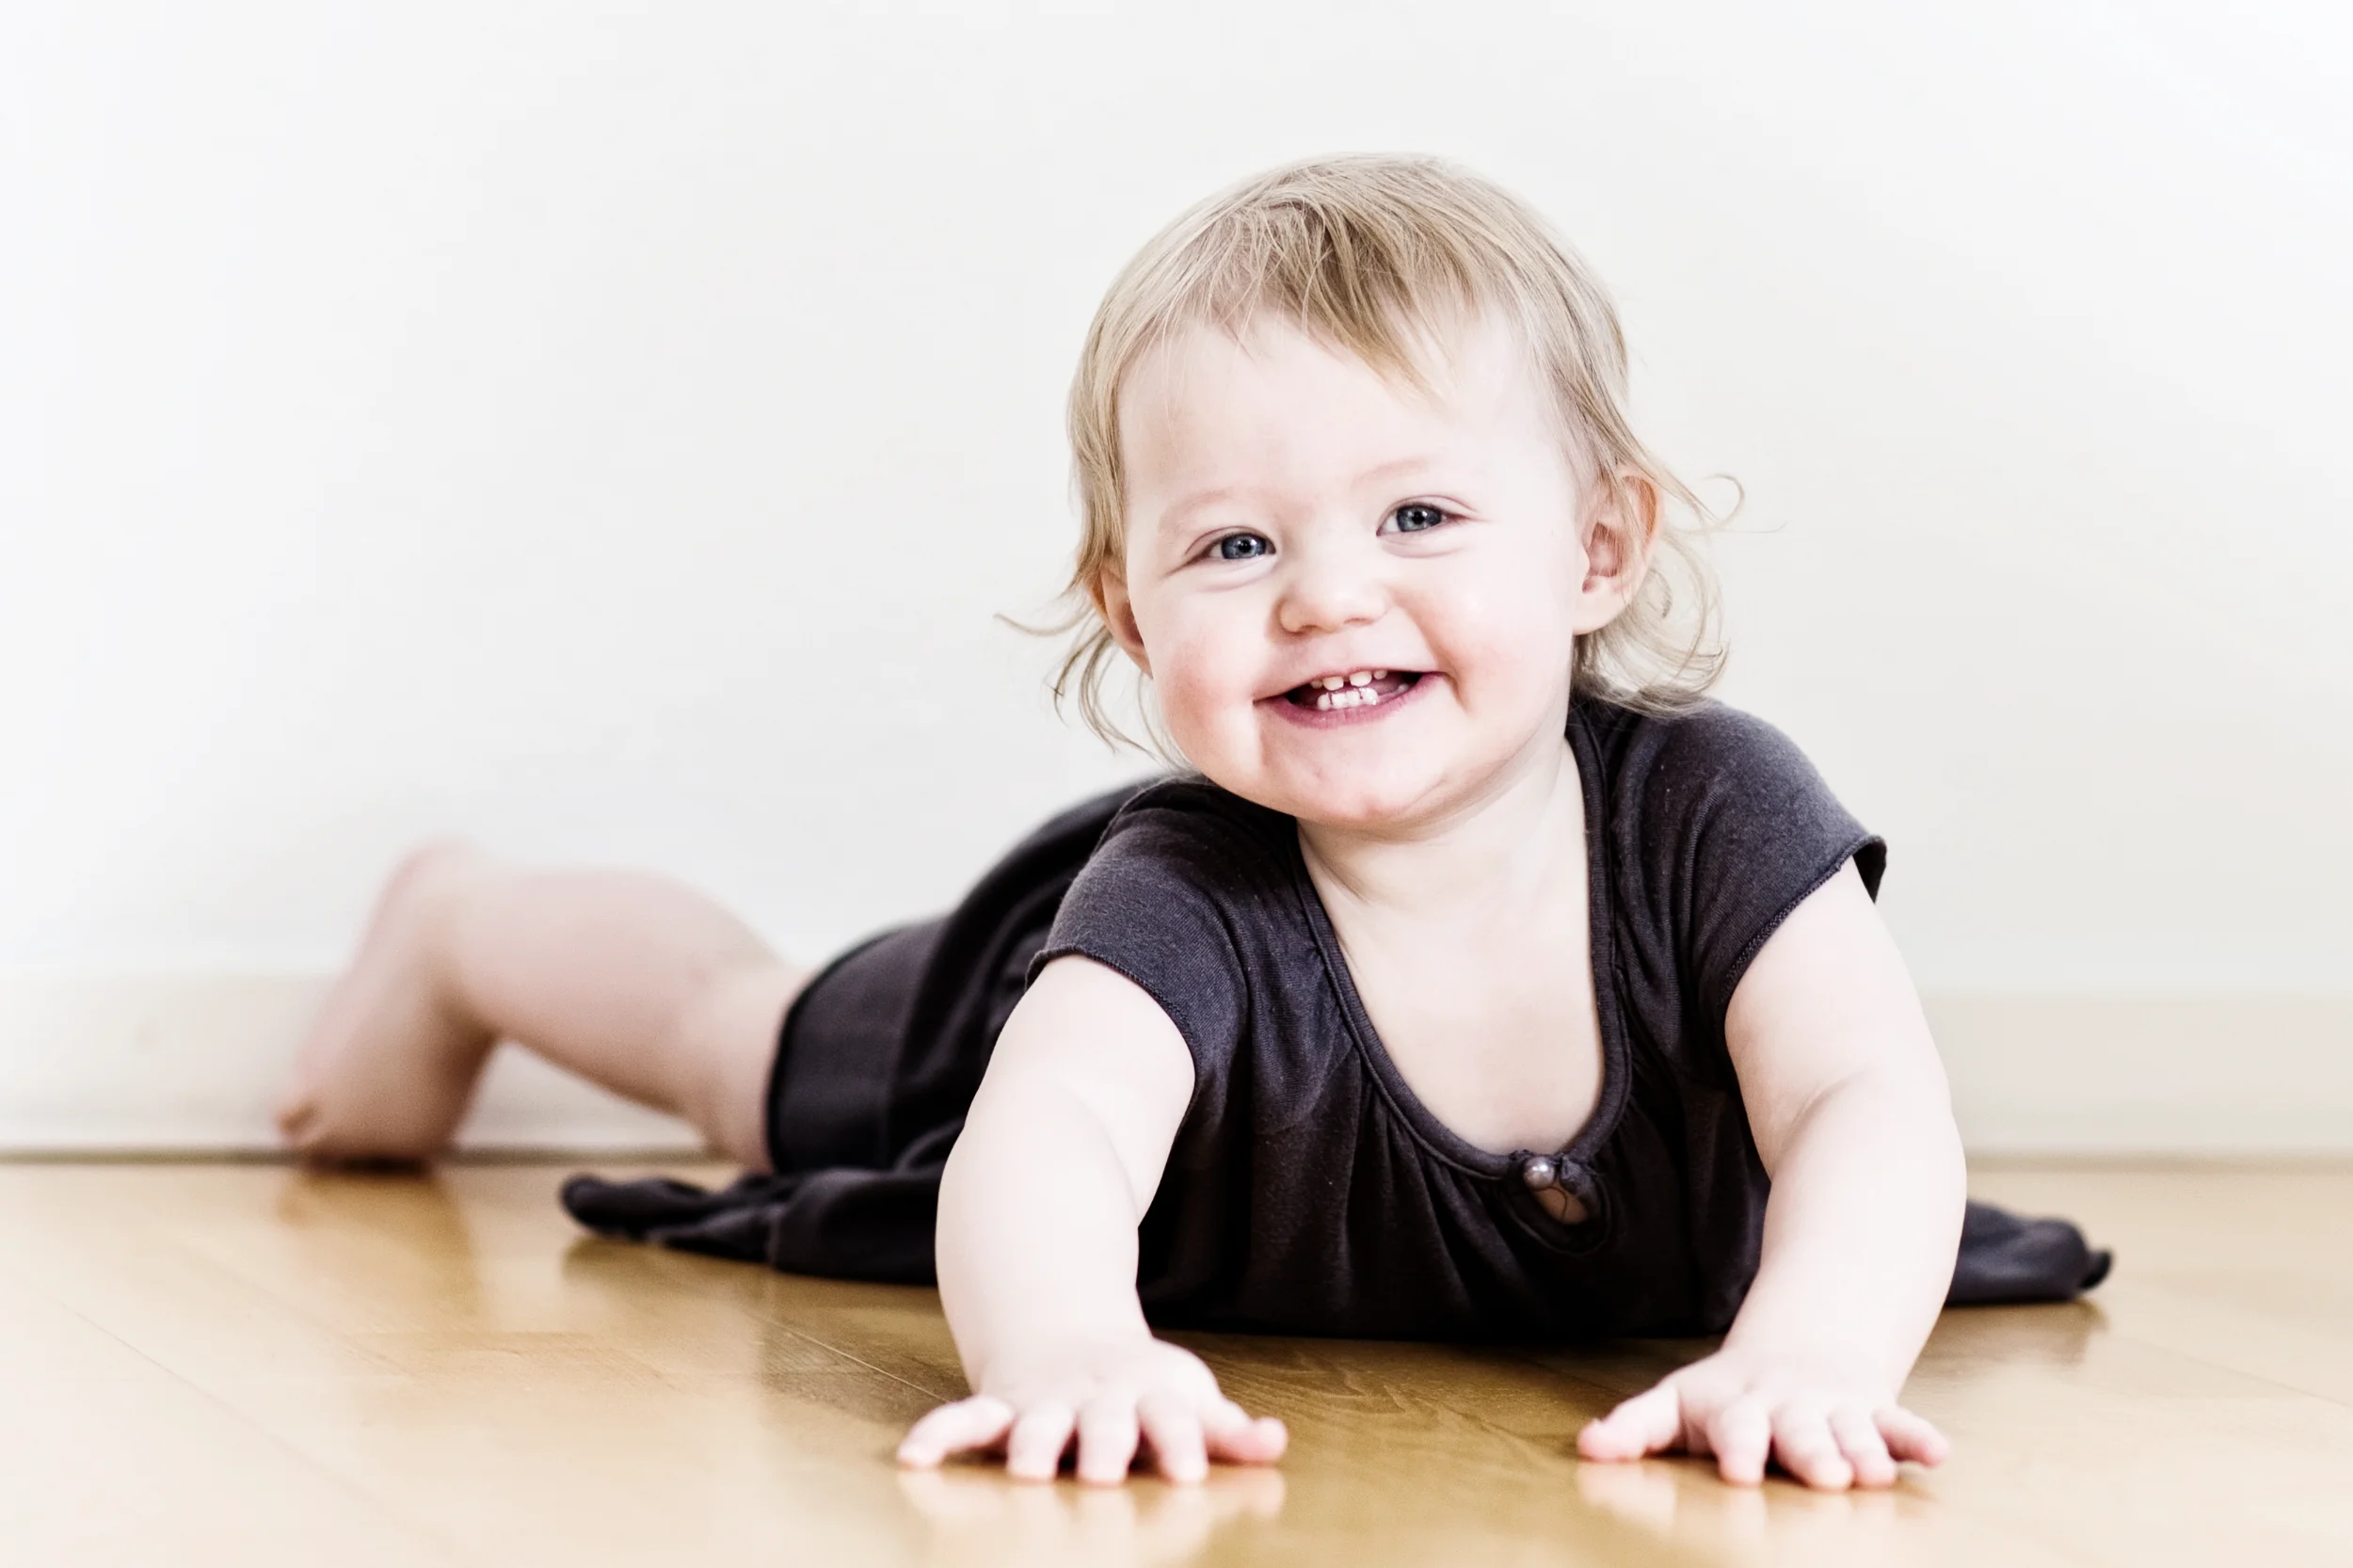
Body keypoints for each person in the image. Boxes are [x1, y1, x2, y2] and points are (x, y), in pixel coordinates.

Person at [277, 153, 2106, 1494]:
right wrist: (1066, 1334)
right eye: (1235, 543)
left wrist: (1806, 1350)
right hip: (997, 1019)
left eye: (1416, 517)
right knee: (734, 1033)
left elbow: (1863, 1102)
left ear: (1597, 547)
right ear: (1133, 604)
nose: (1322, 594)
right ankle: (458, 921)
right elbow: (1051, 1135)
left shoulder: (1713, 814)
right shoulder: (1182, 891)